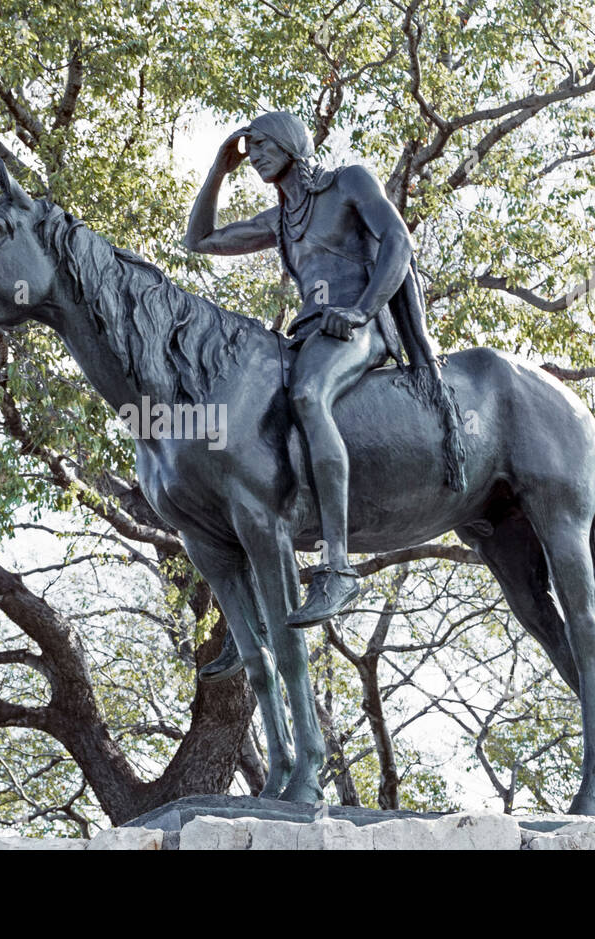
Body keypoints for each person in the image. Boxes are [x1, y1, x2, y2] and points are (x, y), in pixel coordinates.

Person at [185, 112, 464, 681]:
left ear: (292, 144)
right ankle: (255, 619)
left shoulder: (349, 182)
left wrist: (361, 309)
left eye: (264, 145)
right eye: (251, 149)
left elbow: (398, 242)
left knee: (310, 396)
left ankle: (336, 568)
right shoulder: (282, 217)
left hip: (359, 324)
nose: (256, 155)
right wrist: (218, 168)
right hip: (309, 332)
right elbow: (200, 241)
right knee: (248, 423)